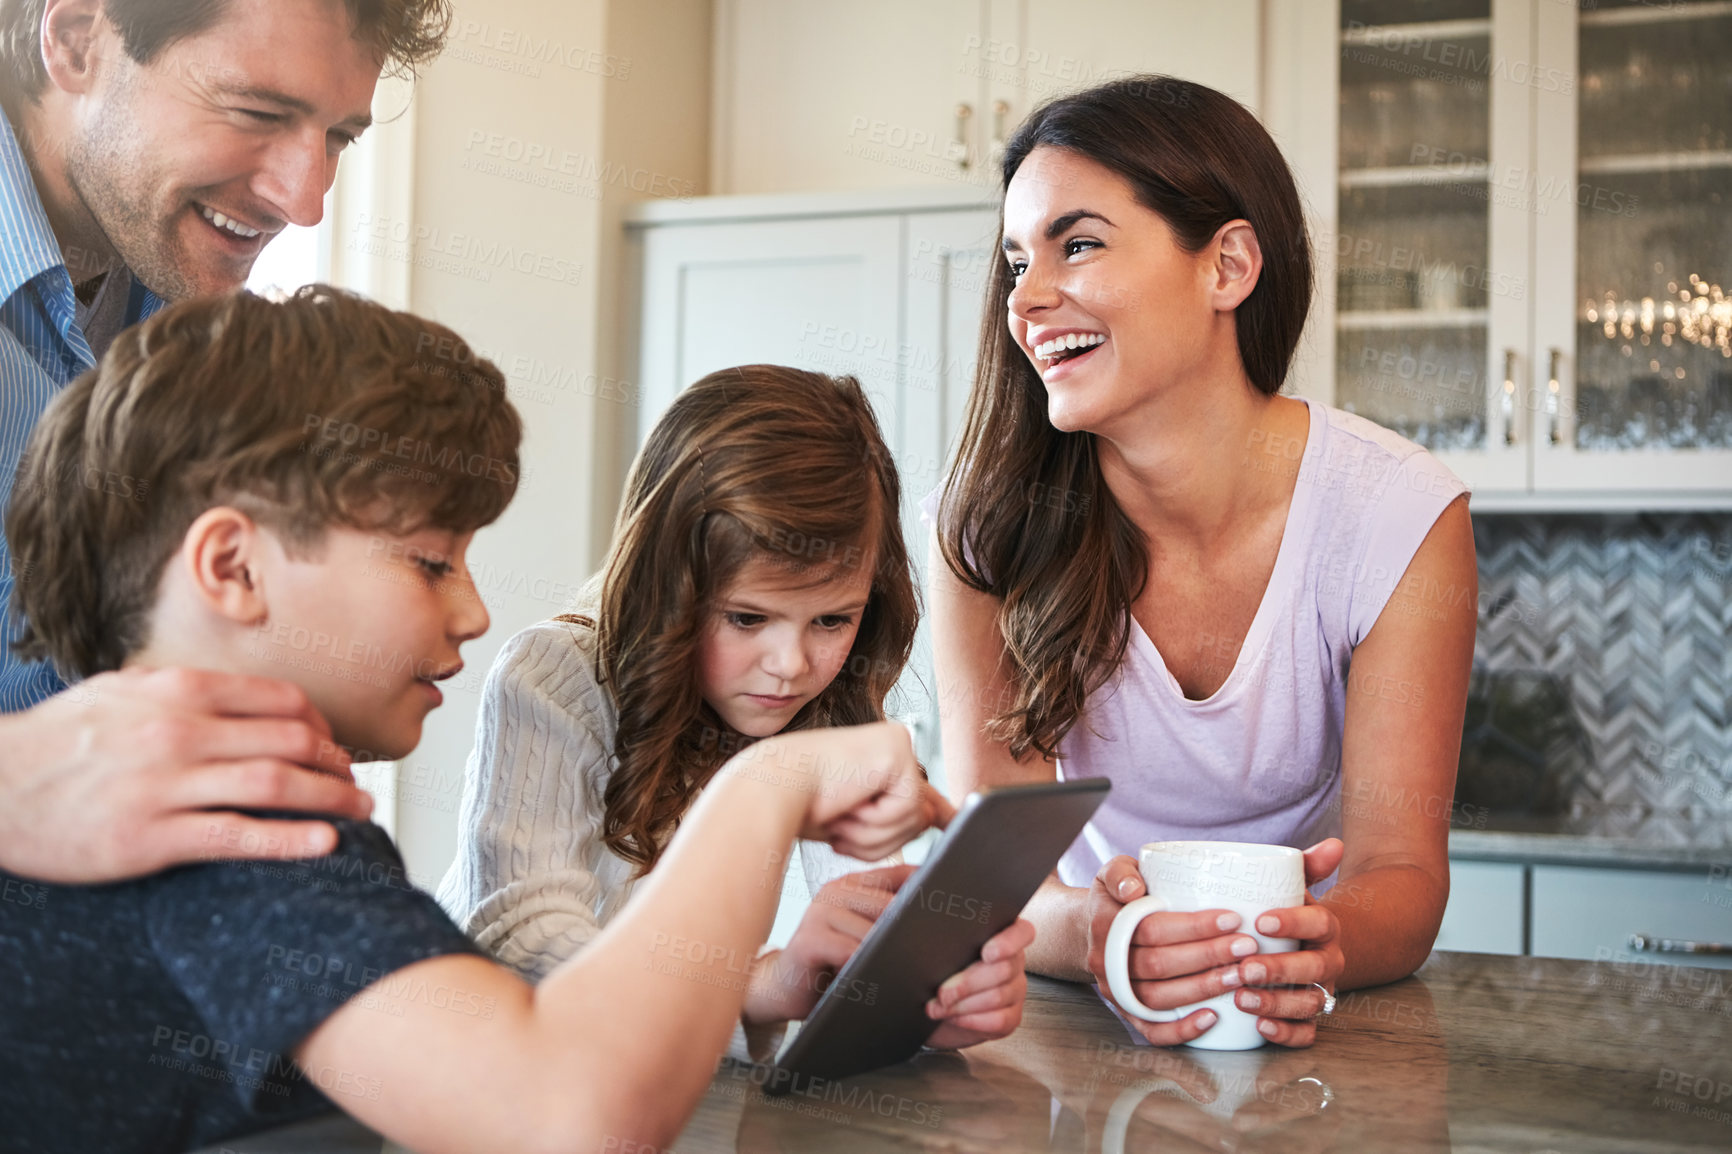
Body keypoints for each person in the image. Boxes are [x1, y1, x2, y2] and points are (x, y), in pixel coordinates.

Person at [0, 287, 945, 1153]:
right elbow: (574, 1116)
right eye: (429, 563)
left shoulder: (131, 833)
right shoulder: (238, 835)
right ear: (234, 570)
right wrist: (766, 789)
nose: (474, 612)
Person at [928, 76, 1477, 1049]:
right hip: (1072, 1010)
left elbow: (1400, 872)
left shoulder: (1395, 512)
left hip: (1309, 1018)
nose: (1028, 298)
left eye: (1079, 243)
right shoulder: (986, 524)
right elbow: (991, 868)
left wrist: (1306, 947)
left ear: (1226, 265)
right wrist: (1103, 934)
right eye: (1018, 260)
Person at [438, 365, 1034, 1053]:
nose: (792, 664)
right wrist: (750, 985)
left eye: (833, 620)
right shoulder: (553, 677)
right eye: (748, 618)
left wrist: (924, 991)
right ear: (668, 587)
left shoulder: (826, 699)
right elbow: (522, 937)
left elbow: (848, 944)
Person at [0, 0, 451, 881]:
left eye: (340, 140)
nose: (306, 199)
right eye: (258, 114)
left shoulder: (204, 329)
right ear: (78, 40)